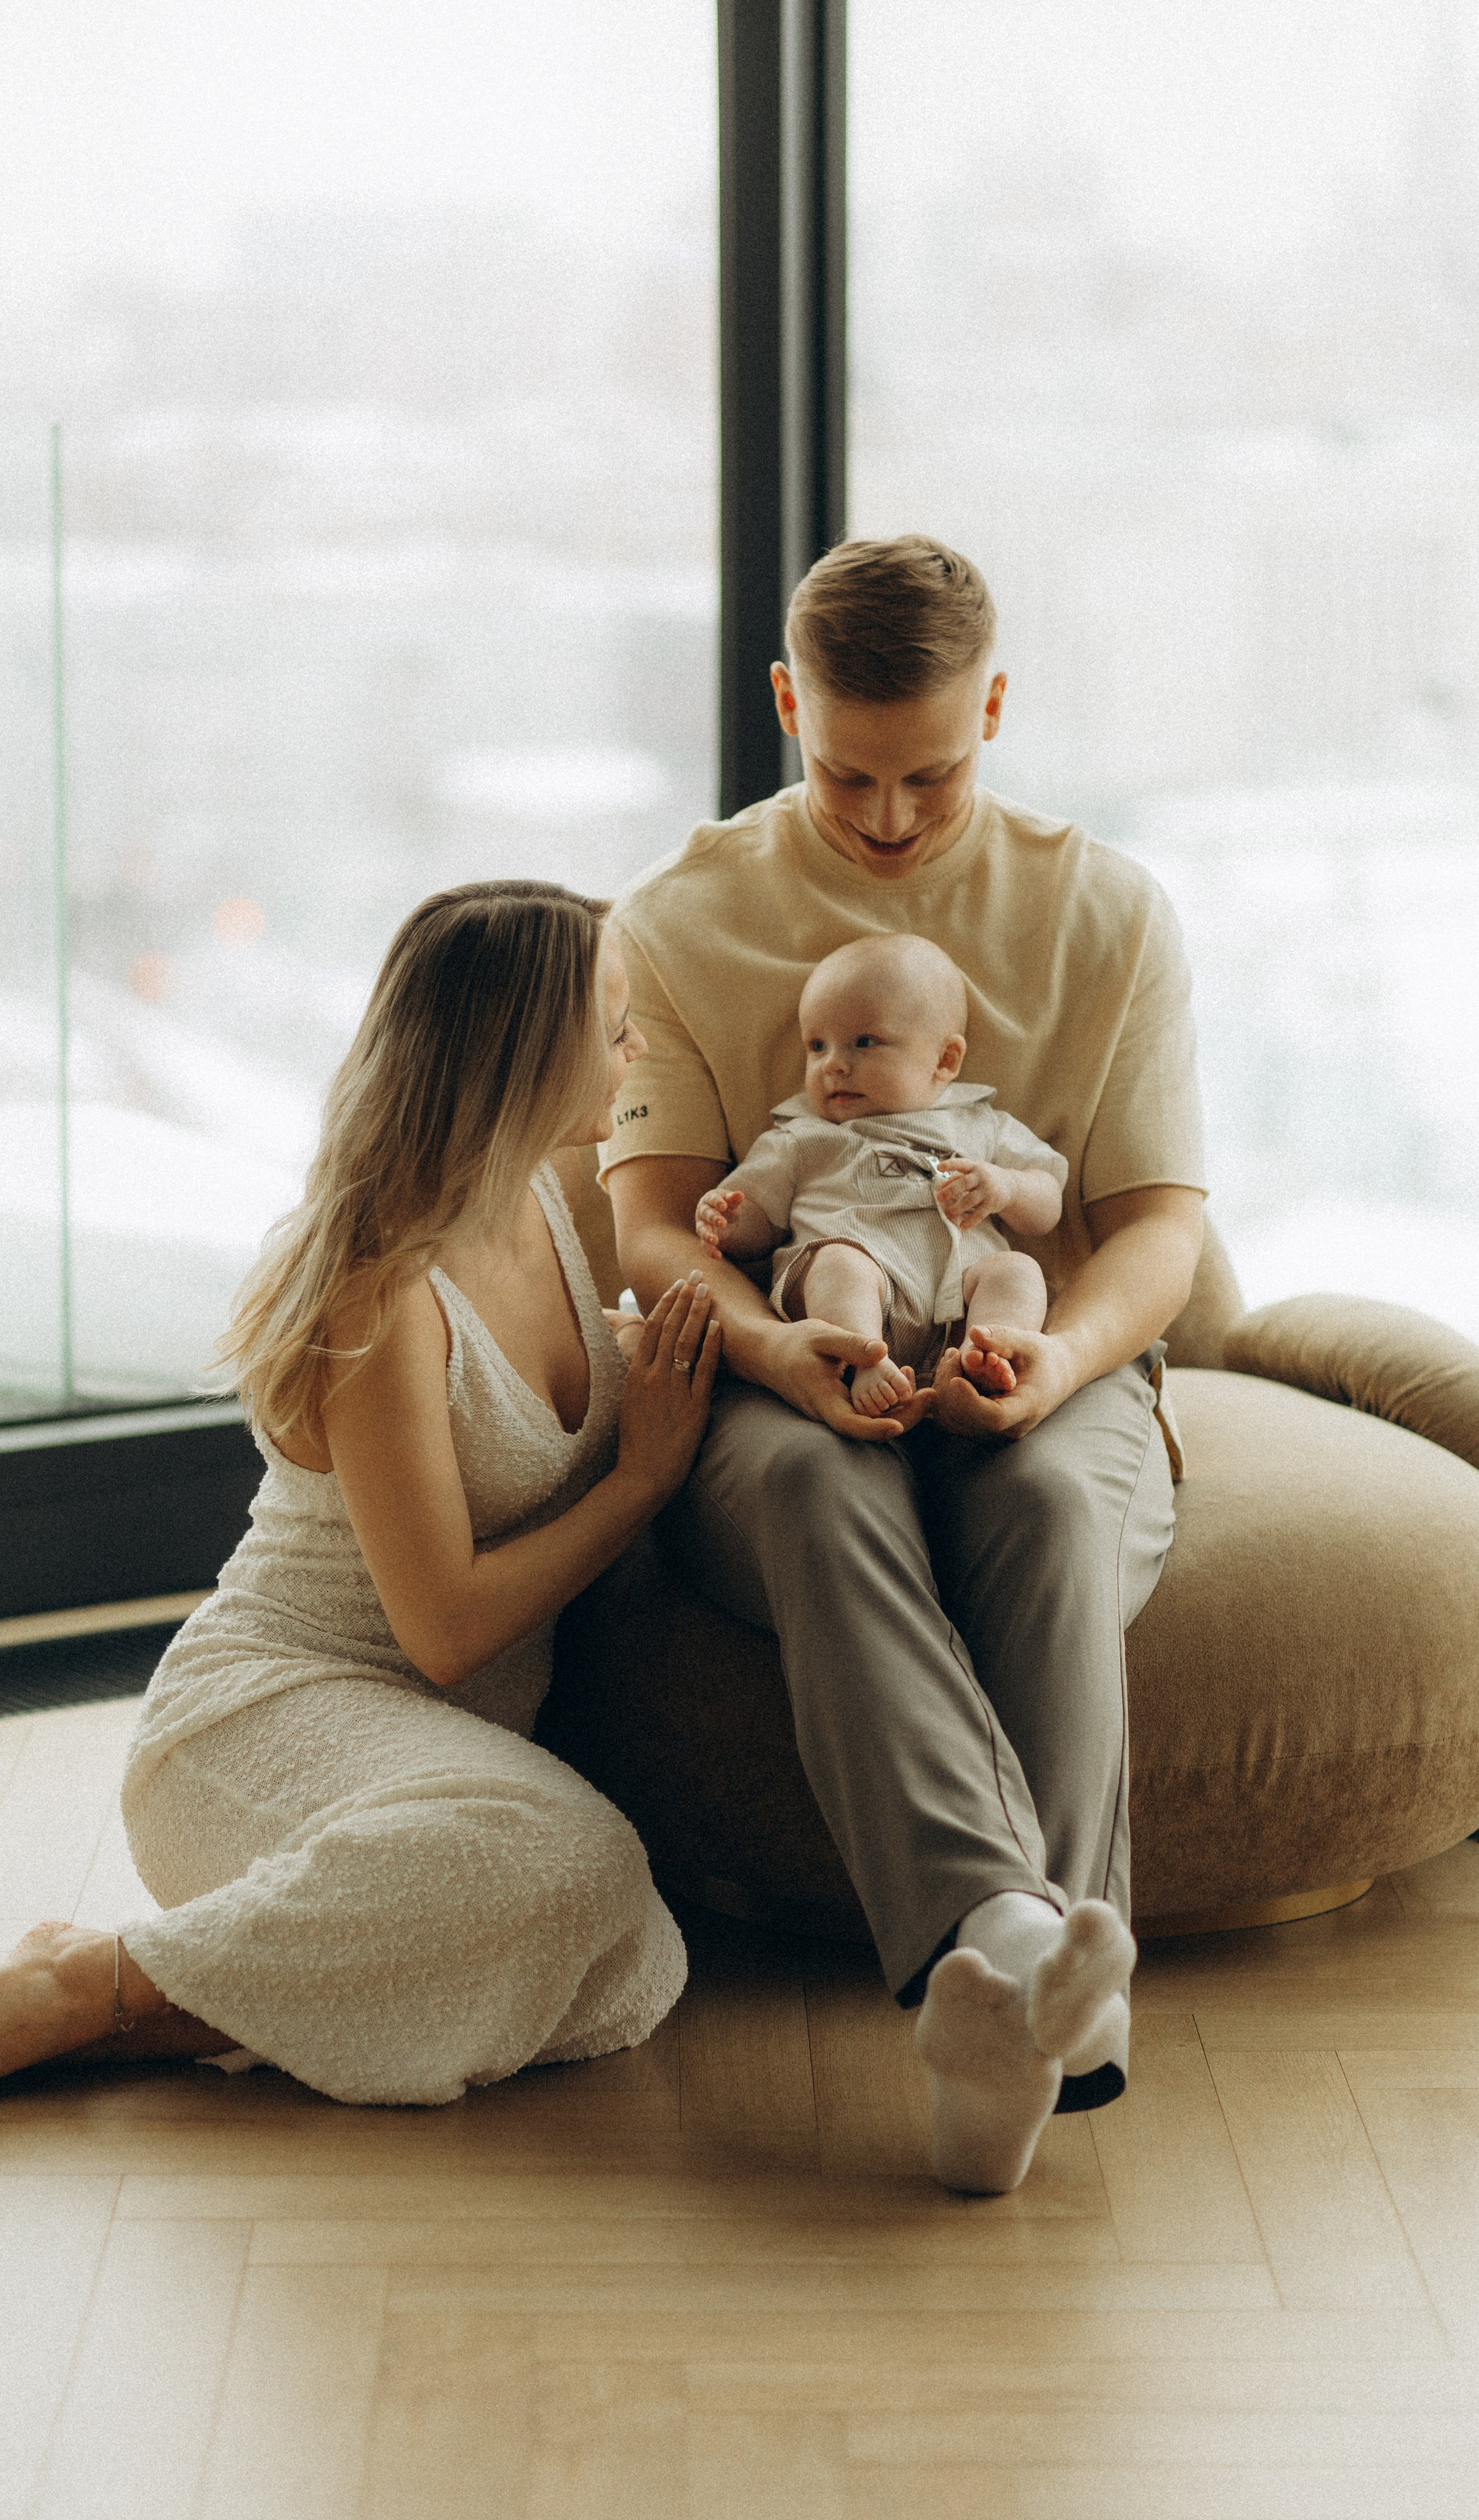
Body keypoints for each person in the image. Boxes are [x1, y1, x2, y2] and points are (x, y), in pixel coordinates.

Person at [0, 880, 720, 2111]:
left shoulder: (540, 1194)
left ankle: (123, 2010)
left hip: (438, 1769)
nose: (635, 1048)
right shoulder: (383, 1293)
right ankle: (93, 1984)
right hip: (264, 1722)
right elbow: (446, 1634)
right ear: (526, 1049)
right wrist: (641, 1480)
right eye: (614, 1020)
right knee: (578, 1870)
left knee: (626, 1960)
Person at [604, 536, 1206, 2193]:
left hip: (1047, 1348)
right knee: (807, 1480)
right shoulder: (675, 918)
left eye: (929, 773)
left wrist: (1059, 1355)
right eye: (844, 773)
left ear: (994, 706)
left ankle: (989, 2005)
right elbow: (652, 1225)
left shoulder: (1105, 909)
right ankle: (1030, 1963)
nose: (883, 818)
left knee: (1053, 1514)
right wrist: (777, 1349)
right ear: (786, 704)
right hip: (780, 1346)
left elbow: (1155, 1228)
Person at [693, 931, 1065, 1417]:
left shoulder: (981, 1123)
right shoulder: (803, 1135)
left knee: (1018, 1271)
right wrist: (729, 1223)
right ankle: (864, 1358)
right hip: (861, 1299)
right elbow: (762, 1223)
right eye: (817, 1046)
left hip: (961, 1306)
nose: (834, 1065)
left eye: (864, 1043)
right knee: (839, 1263)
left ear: (945, 1060)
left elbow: (1047, 1206)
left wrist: (1007, 1186)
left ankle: (987, 1355)